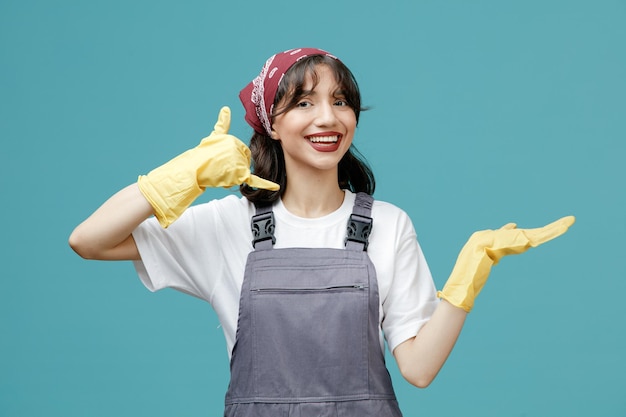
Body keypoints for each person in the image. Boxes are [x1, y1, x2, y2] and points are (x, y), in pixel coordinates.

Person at [69, 47, 574, 417]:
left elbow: (419, 370)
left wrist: (468, 274)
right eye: (304, 103)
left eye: (340, 101)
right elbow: (88, 240)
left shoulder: (388, 225)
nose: (328, 118)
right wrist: (179, 175)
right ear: (271, 123)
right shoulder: (227, 224)